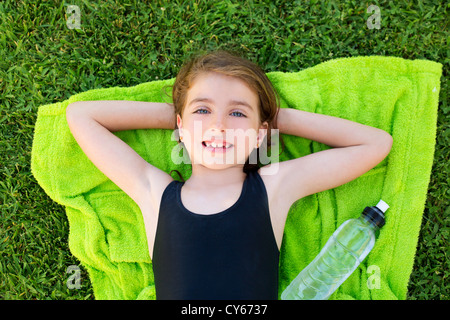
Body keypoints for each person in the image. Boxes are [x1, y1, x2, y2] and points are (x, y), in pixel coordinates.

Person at [66, 50, 392, 299]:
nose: (218, 125)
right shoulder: (154, 192)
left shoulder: (274, 186)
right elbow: (81, 116)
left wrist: (273, 120)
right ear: (179, 125)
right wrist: (183, 118)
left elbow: (376, 143)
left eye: (237, 112)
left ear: (262, 133)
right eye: (203, 109)